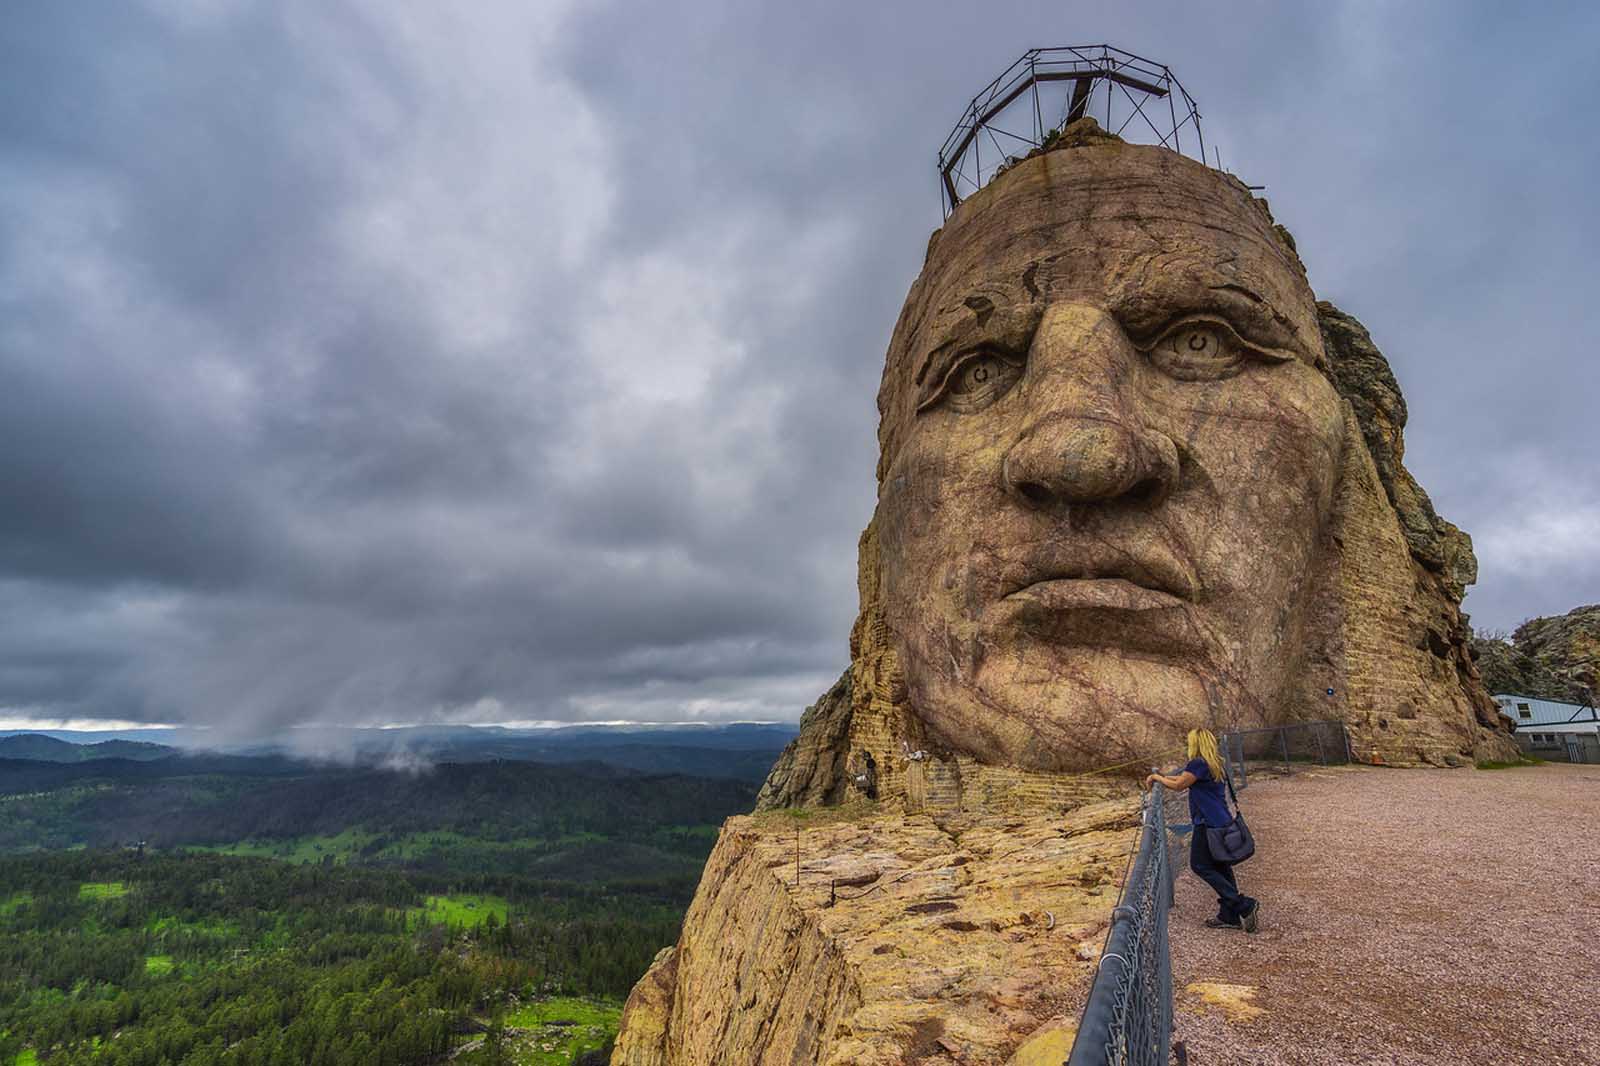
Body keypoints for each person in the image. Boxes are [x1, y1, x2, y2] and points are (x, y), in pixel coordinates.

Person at [1145, 728, 1260, 932]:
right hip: (1221, 820)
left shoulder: (1198, 763)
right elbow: (1182, 780)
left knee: (1199, 865)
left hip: (1207, 823)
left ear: (1196, 744)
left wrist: (1157, 779)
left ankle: (1243, 905)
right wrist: (1160, 778)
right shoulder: (1214, 763)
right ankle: (1229, 915)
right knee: (1221, 866)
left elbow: (1179, 784)